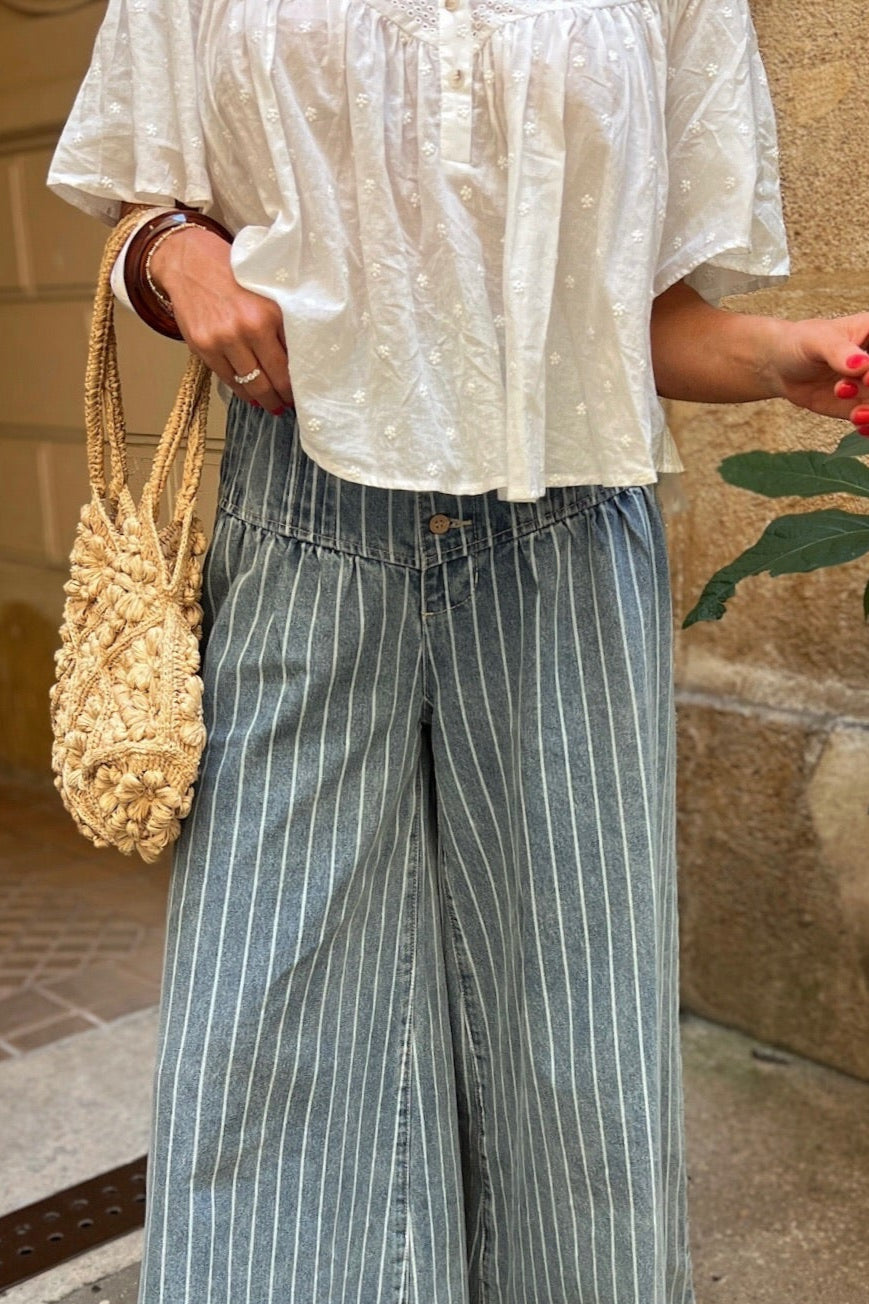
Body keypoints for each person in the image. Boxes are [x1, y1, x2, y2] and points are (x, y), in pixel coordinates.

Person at [47, 2, 869, 1301]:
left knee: (574, 1040)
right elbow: (140, 202)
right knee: (266, 1023)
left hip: (563, 536)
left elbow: (632, 313)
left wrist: (782, 357)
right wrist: (173, 253)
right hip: (304, 518)